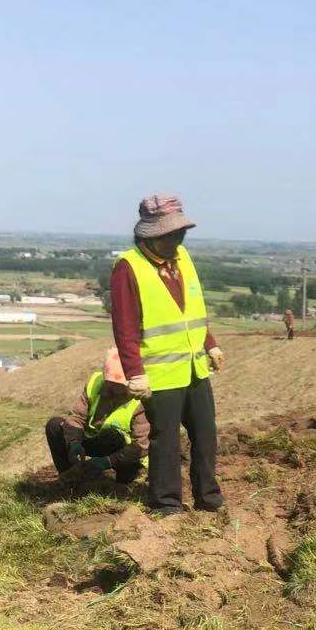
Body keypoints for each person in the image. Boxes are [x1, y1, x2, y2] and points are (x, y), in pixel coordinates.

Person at [109, 194, 226, 516]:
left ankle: (208, 497)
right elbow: (125, 328)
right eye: (170, 235)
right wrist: (135, 373)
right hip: (160, 374)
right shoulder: (128, 267)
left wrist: (210, 343)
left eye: (180, 233)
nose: (177, 240)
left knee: (206, 433)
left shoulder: (183, 257)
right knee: (166, 440)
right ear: (150, 235)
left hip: (194, 367)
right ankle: (166, 502)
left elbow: (193, 309)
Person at [44, 347, 150, 485]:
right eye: (111, 384)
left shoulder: (141, 398)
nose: (114, 388)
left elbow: (141, 445)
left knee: (114, 436)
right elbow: (76, 417)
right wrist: (74, 442)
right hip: (92, 439)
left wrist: (108, 461)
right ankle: (69, 478)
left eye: (119, 385)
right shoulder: (95, 383)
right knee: (54, 425)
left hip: (124, 452)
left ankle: (122, 485)